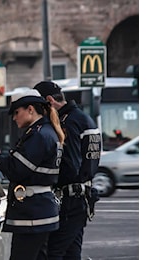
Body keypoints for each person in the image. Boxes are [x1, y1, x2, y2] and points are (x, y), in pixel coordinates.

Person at [0, 88, 65, 260]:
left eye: (16, 112)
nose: (14, 118)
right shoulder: (46, 132)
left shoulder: (38, 135)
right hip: (40, 212)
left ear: (30, 110)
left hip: (32, 214)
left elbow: (17, 170)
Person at [34, 81, 101, 260]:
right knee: (71, 252)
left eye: (40, 108)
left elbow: (69, 165)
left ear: (49, 101)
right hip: (82, 197)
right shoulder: (84, 118)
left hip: (70, 199)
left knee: (54, 252)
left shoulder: (67, 122)